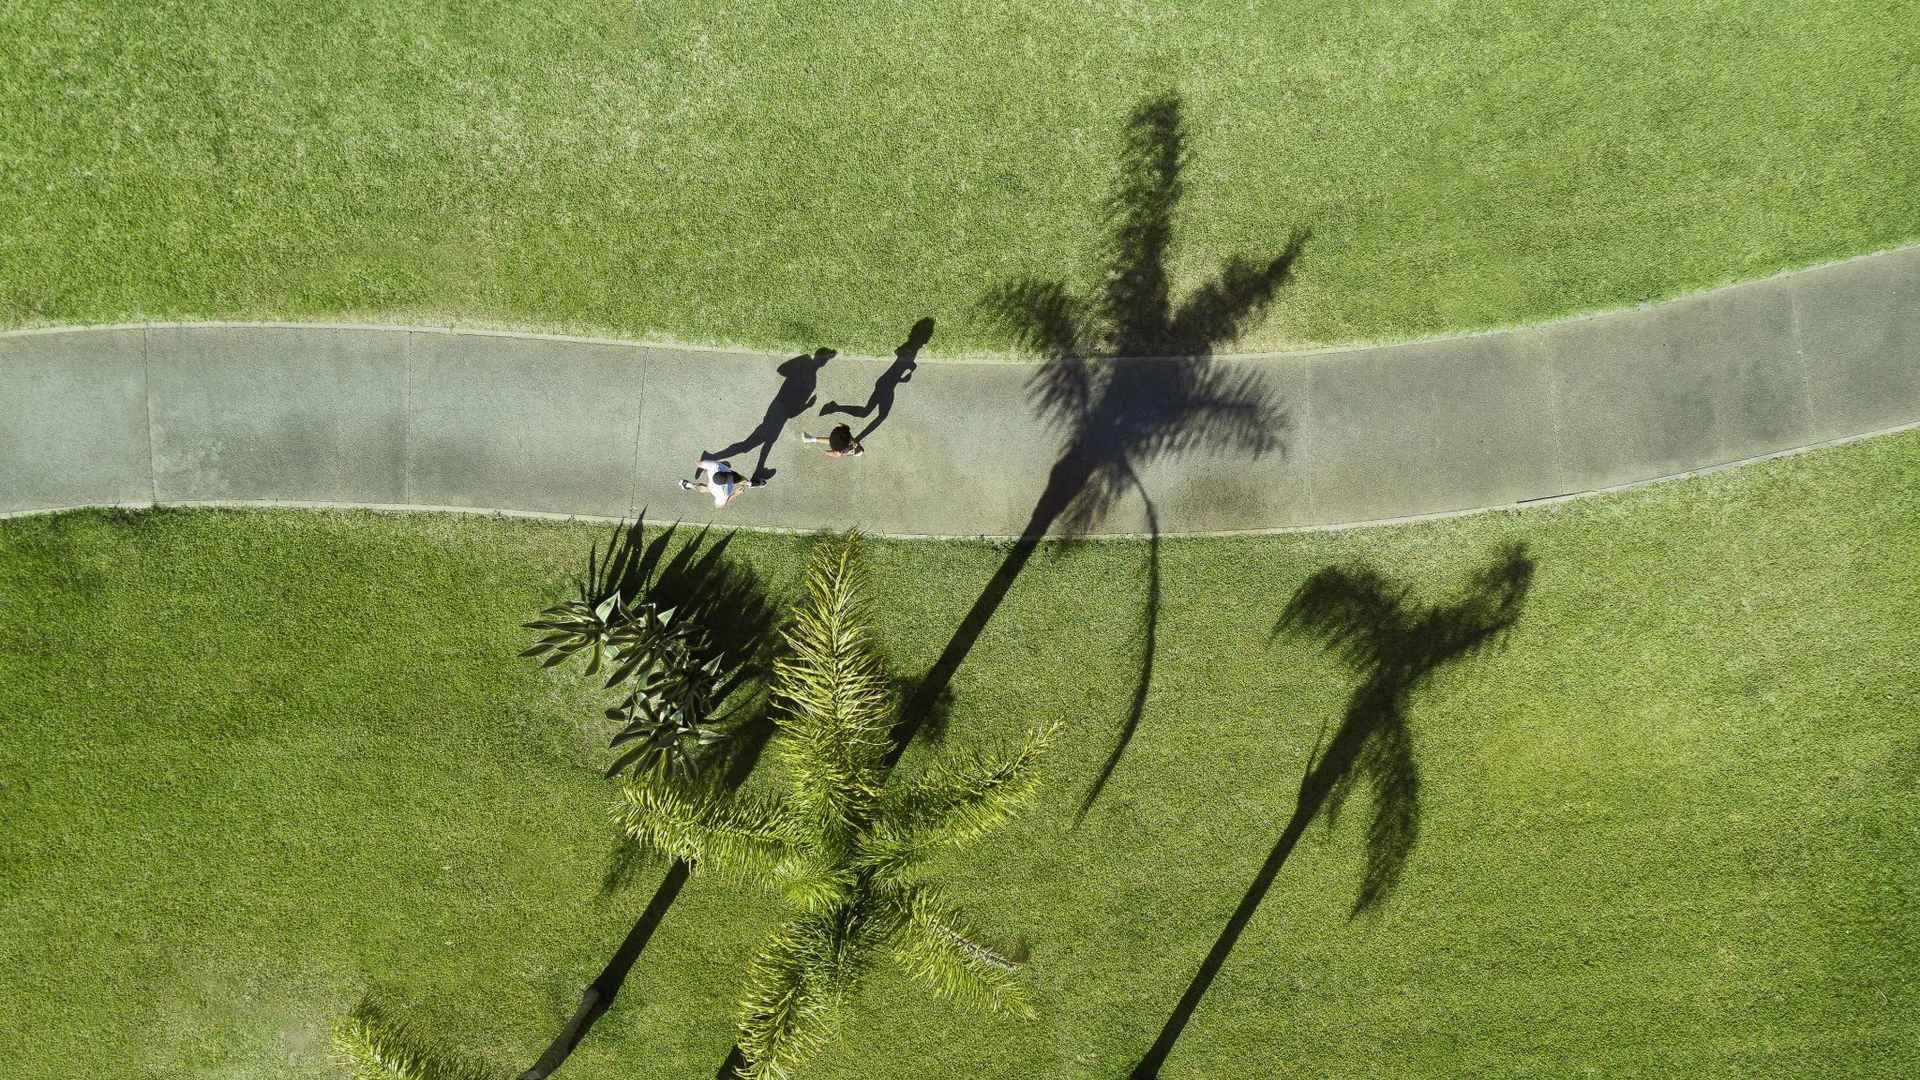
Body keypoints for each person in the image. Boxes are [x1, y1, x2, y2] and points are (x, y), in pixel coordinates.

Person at [679, 458, 764, 507]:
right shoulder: (721, 494)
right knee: (705, 489)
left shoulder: (715, 466)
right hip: (713, 488)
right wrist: (736, 494)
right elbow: (718, 506)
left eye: (730, 479)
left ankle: (750, 484)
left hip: (722, 473)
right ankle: (689, 485)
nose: (732, 482)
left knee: (739, 478)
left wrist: (700, 463)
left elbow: (698, 463)